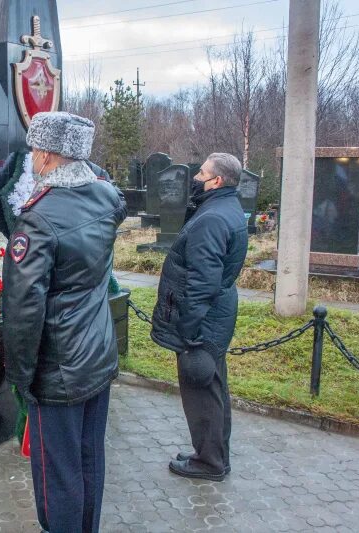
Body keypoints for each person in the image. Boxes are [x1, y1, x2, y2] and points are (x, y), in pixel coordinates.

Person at [2, 111, 127, 533]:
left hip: (57, 370)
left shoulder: (38, 218)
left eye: (36, 149)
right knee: (90, 459)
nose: (32, 158)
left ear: (50, 155)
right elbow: (112, 189)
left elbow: (23, 309)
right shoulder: (106, 197)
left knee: (58, 477)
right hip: (97, 355)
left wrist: (21, 377)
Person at [149, 152, 248, 482]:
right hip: (216, 316)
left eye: (202, 173)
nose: (195, 177)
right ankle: (215, 455)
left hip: (202, 323)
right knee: (214, 388)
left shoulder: (211, 219)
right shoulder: (226, 207)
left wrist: (188, 331)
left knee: (201, 392)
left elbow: (202, 281)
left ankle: (209, 463)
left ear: (217, 181)